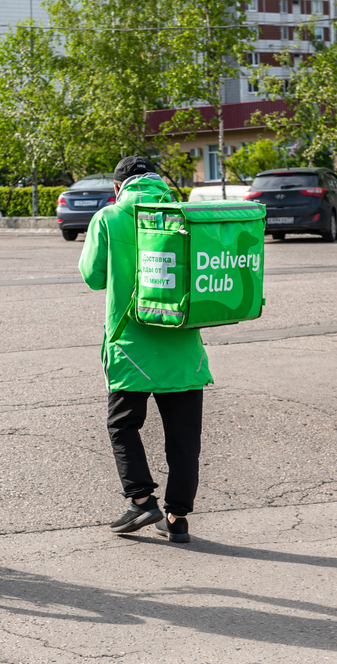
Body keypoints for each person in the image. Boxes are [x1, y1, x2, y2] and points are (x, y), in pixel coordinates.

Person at [77, 156, 213, 544]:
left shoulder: (109, 217)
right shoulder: (182, 214)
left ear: (117, 188)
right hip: (184, 347)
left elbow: (93, 277)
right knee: (184, 439)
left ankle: (141, 499)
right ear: (159, 182)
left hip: (132, 347)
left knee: (123, 425)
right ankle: (176, 517)